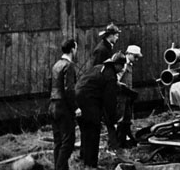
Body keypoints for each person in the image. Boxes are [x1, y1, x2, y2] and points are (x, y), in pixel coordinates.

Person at [75, 52, 127, 168]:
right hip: (89, 101)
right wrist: (111, 117)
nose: (123, 68)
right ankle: (91, 164)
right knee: (94, 131)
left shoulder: (100, 68)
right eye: (122, 65)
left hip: (78, 98)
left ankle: (83, 156)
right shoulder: (110, 76)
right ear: (117, 65)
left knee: (86, 129)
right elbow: (110, 100)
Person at [49, 38, 79, 170]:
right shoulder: (69, 66)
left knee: (58, 142)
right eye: (76, 48)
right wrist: (75, 107)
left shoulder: (56, 65)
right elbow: (69, 89)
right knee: (68, 143)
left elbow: (50, 85)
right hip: (64, 107)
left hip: (53, 106)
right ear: (72, 49)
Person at [116, 45, 142, 148]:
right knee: (120, 119)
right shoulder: (123, 64)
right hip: (121, 96)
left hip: (127, 96)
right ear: (129, 54)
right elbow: (116, 81)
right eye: (135, 57)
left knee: (127, 119)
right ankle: (116, 143)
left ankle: (124, 141)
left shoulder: (130, 64)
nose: (136, 59)